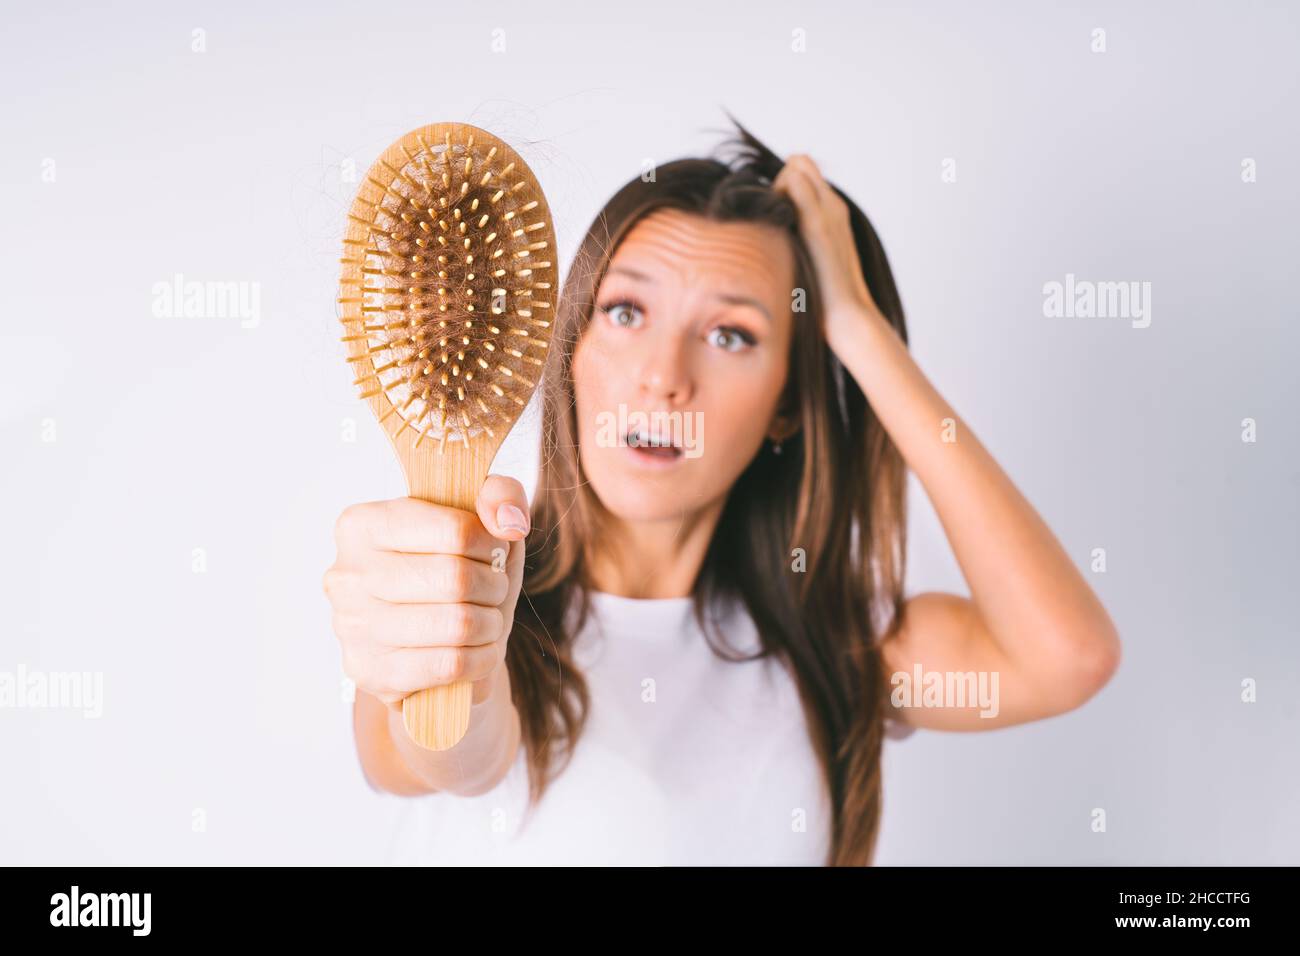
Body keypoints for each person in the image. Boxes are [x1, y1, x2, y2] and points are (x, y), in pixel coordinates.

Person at [322, 117, 1121, 865]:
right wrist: (453, 650)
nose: (663, 378)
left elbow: (1065, 657)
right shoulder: (448, 608)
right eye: (627, 310)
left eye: (731, 333)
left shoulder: (836, 647)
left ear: (784, 406)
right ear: (568, 347)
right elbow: (451, 752)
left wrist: (857, 328)